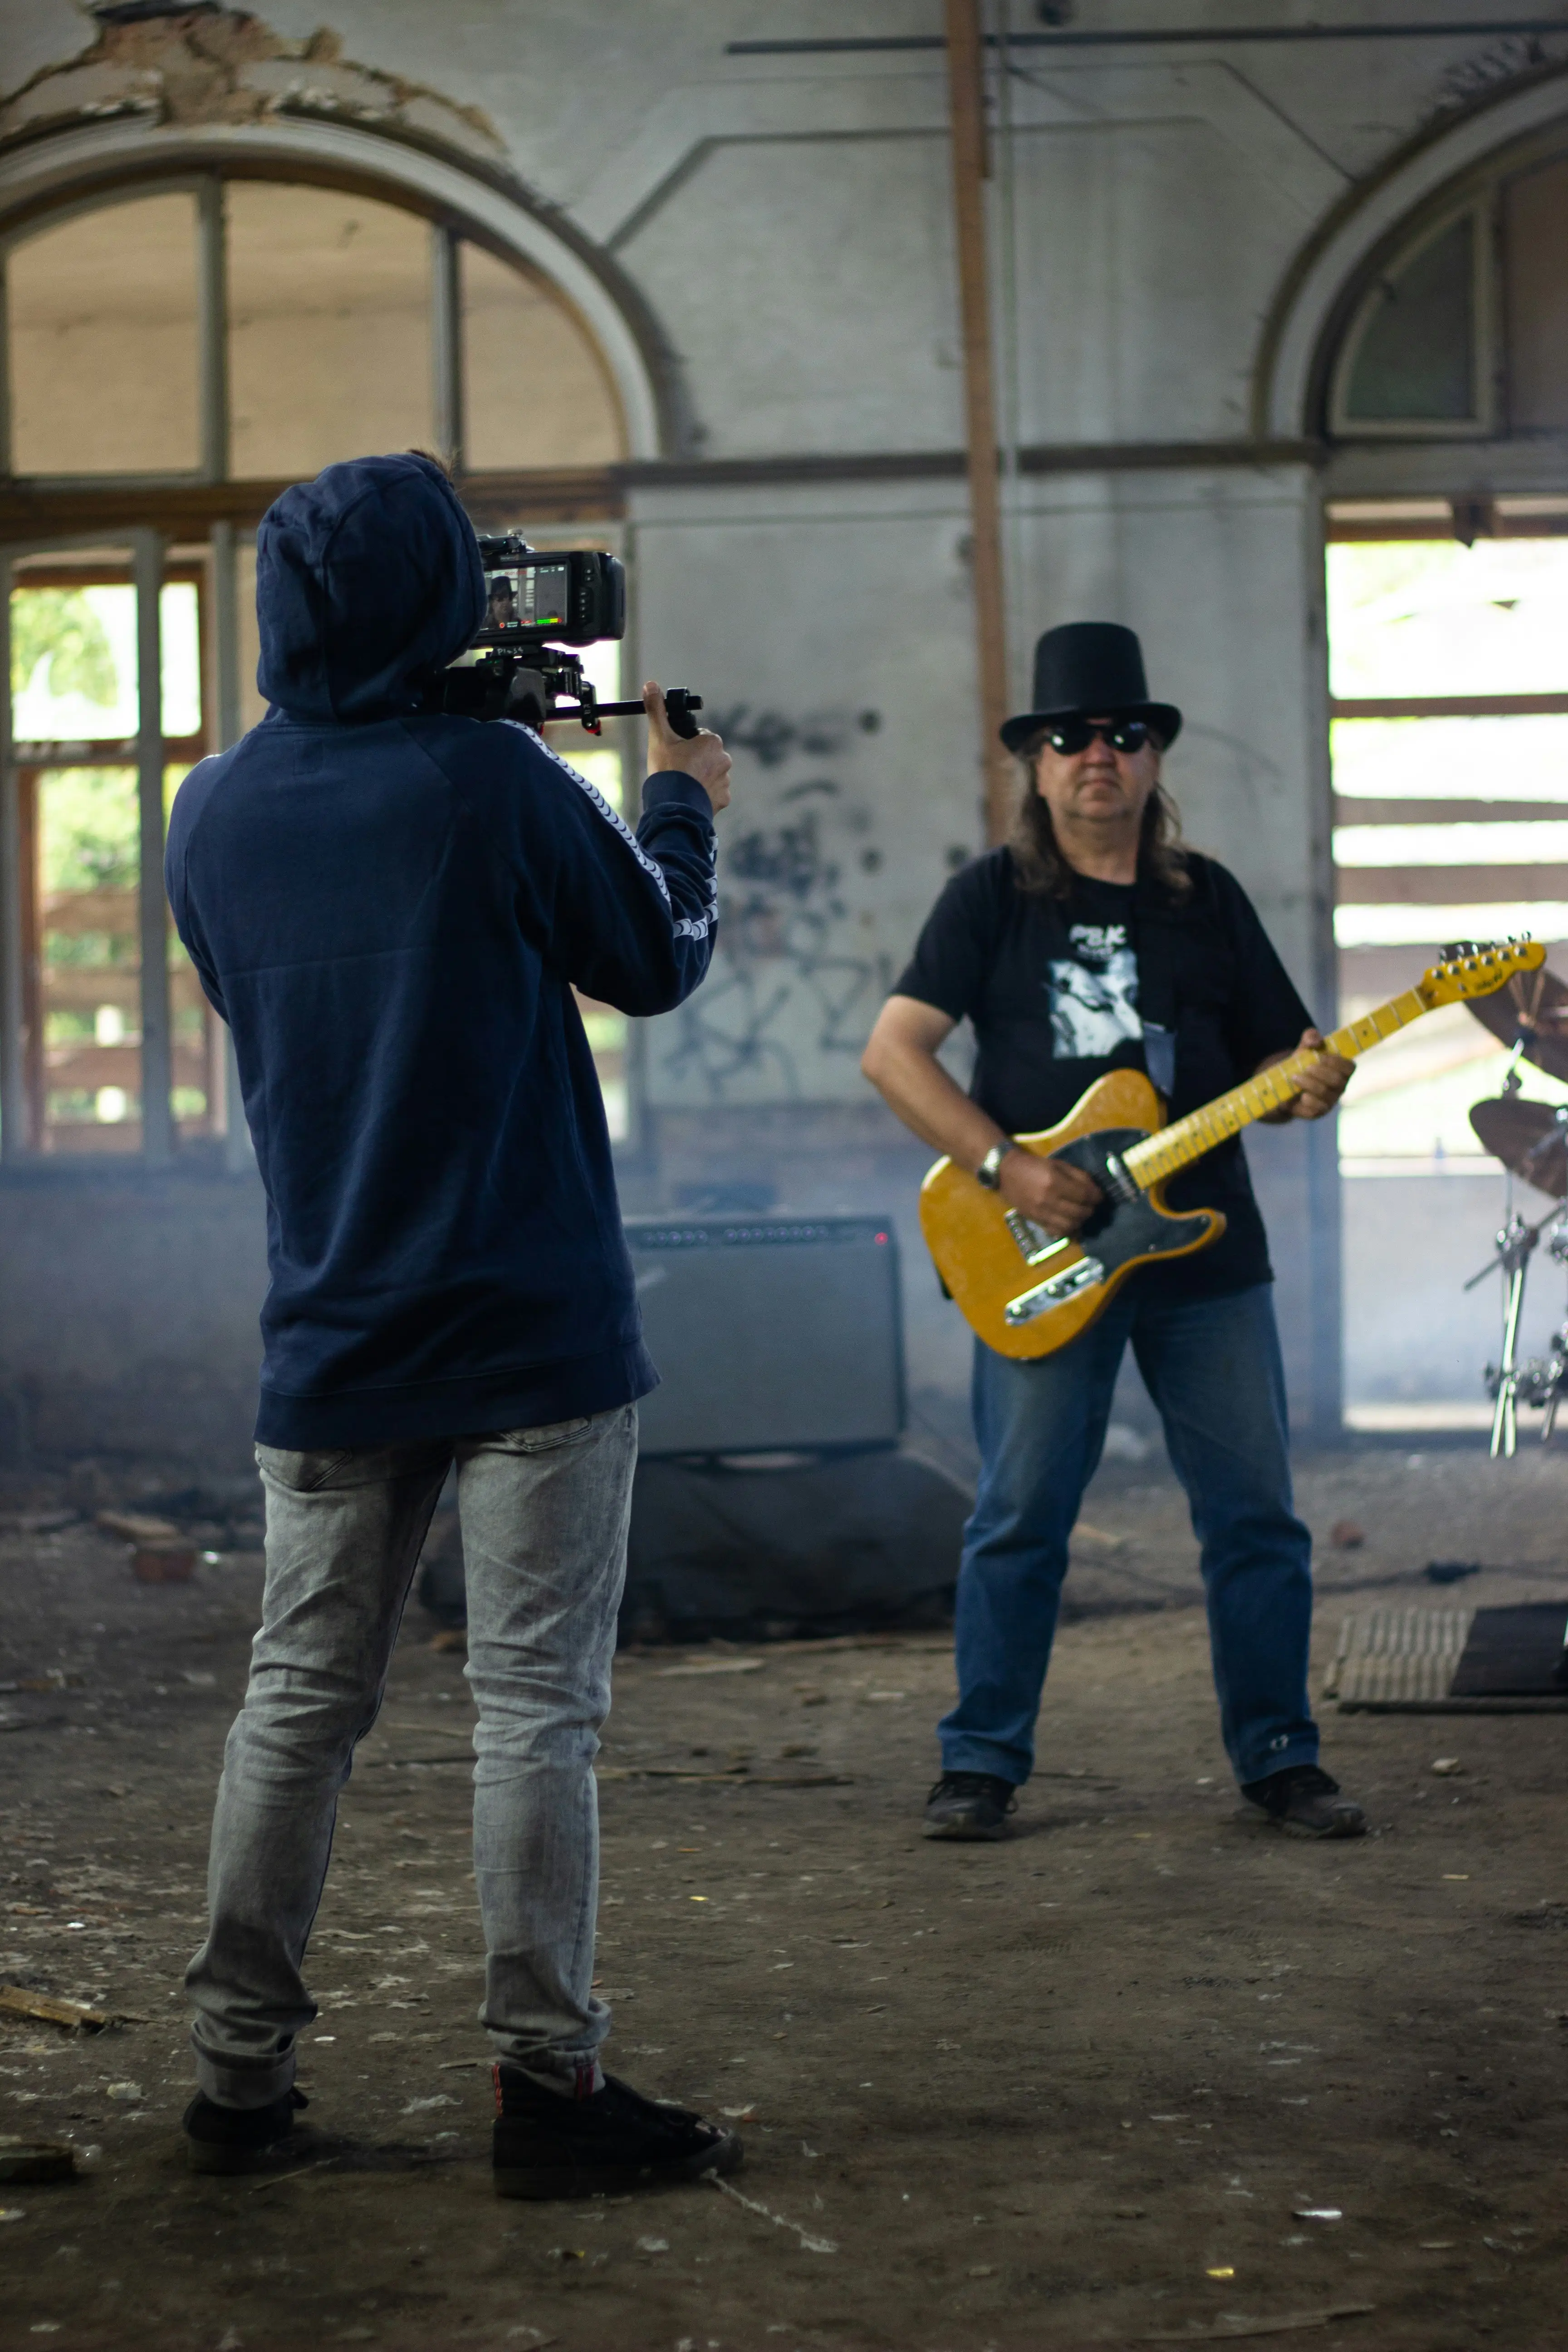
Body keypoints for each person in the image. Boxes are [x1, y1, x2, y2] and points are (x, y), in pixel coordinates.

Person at [165, 451, 742, 2197]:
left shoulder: (209, 812)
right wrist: (676, 799)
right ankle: (546, 2091)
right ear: (442, 604)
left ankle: (236, 2083)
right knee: (533, 1711)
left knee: (295, 1705)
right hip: (531, 1330)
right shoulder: (489, 778)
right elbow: (654, 954)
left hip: (332, 1331)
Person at [861, 622, 1365, 1845]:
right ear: (1037, 765)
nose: (1101, 754)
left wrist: (1311, 1085)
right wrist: (1012, 1169)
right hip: (1045, 1249)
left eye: (1125, 736)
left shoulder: (1209, 901)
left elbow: (1281, 1064)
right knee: (1021, 1515)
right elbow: (894, 1053)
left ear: (1152, 764)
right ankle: (980, 1762)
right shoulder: (990, 900)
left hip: (1208, 1260)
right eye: (1074, 736)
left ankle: (1282, 1759)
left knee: (1254, 1517)